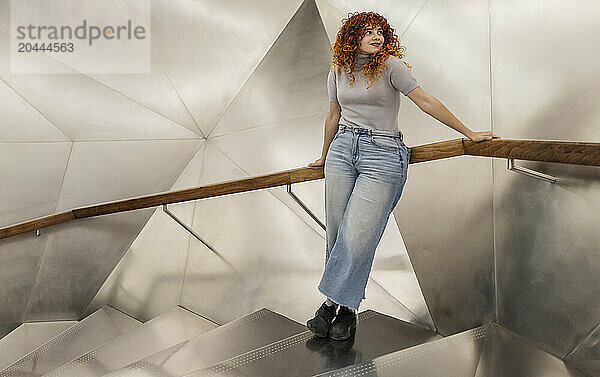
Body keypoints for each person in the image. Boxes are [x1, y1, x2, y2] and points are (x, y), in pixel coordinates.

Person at [306, 11, 500, 341]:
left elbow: (424, 100)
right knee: (338, 233)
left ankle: (338, 307)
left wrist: (467, 132)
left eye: (381, 31)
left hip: (382, 155)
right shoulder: (338, 70)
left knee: (357, 236)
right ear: (353, 35)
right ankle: (336, 308)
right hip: (341, 151)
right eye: (368, 31)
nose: (377, 36)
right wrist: (324, 156)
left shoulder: (391, 66)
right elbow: (333, 115)